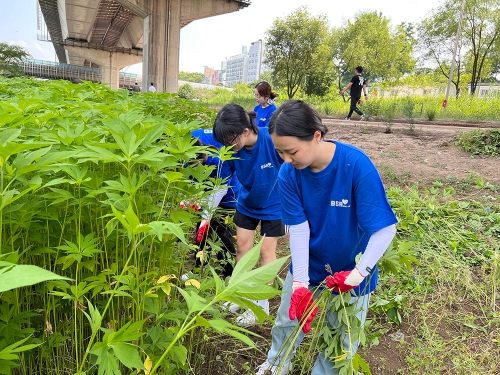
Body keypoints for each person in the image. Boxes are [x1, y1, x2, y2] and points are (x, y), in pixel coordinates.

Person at [256, 100, 397, 375]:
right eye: (280, 152)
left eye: (292, 151)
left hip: (351, 270)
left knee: (341, 336)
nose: (286, 159)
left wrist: (357, 274)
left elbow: (384, 229)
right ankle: (277, 364)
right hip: (309, 264)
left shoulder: (355, 165)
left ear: (317, 136)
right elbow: (298, 228)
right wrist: (300, 282)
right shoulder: (289, 173)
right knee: (287, 319)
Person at [212, 103, 285, 327]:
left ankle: (260, 304)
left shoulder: (272, 141)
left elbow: (292, 170)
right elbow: (221, 180)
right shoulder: (232, 150)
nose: (228, 145)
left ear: (245, 131)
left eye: (230, 140)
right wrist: (207, 209)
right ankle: (240, 294)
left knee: (265, 251)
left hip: (274, 205)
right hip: (247, 203)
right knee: (243, 247)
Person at [182, 129, 240, 280]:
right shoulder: (187, 163)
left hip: (227, 198)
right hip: (206, 198)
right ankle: (198, 268)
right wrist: (189, 201)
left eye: (198, 164)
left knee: (222, 235)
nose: (196, 169)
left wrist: (206, 217)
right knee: (201, 233)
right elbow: (190, 186)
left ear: (203, 157)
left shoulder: (220, 161)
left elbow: (220, 190)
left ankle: (229, 273)